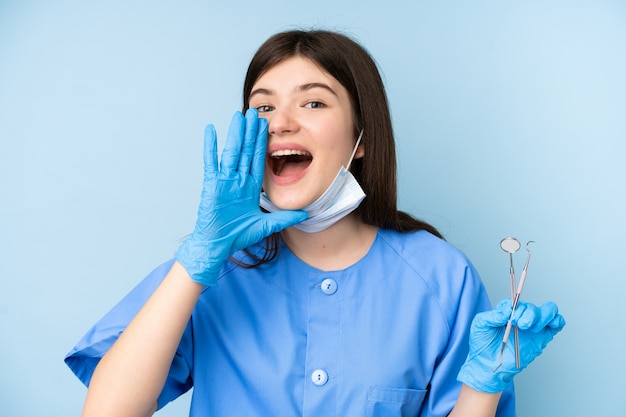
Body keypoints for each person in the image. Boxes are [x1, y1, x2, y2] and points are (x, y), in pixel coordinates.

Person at [65, 29, 565, 417]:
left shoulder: (439, 277)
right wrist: (196, 261)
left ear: (361, 137)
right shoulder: (212, 273)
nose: (279, 121)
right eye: (263, 106)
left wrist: (481, 387)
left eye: (313, 102)